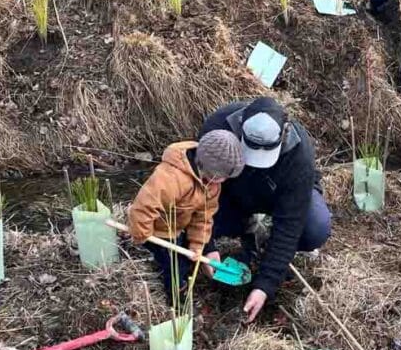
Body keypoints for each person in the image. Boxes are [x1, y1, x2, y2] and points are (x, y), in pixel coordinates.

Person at [200, 97, 331, 322]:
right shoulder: (218, 129)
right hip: (230, 196)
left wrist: (265, 285)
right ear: (240, 127)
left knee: (315, 227)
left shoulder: (299, 155)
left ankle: (264, 239)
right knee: (183, 224)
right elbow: (197, 194)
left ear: (283, 135)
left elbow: (290, 225)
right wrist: (206, 246)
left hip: (275, 197)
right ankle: (247, 227)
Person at [126, 130, 244, 300]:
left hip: (179, 226)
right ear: (207, 167)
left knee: (185, 259)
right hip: (158, 232)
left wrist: (197, 246)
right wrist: (143, 235)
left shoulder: (212, 185)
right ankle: (177, 298)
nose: (223, 181)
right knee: (175, 268)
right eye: (221, 176)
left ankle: (177, 270)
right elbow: (143, 208)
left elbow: (203, 217)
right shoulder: (171, 178)